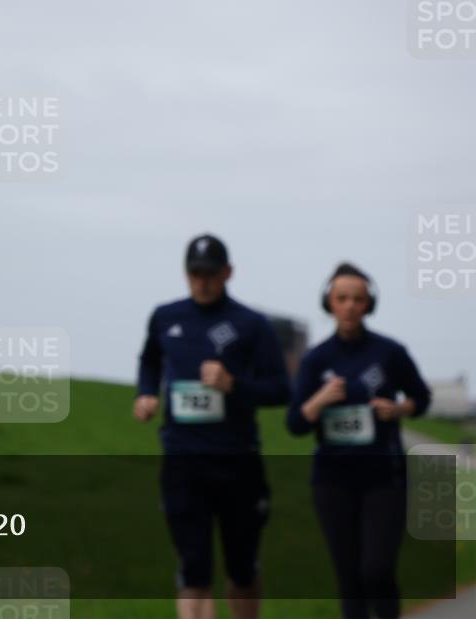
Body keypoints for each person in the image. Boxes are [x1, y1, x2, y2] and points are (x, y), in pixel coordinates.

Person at [134, 234, 290, 619]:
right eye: (194, 272)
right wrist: (146, 393)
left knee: (241, 570)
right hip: (183, 462)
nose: (202, 281)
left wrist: (232, 385)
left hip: (237, 462)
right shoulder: (165, 317)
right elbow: (150, 360)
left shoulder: (251, 325)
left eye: (210, 273)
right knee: (193, 571)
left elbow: (281, 389)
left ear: (228, 273)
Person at [287, 263, 430, 619]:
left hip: (384, 479)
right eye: (342, 298)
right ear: (329, 303)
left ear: (369, 304)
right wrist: (319, 401)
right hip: (333, 481)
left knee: (376, 570)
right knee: (349, 579)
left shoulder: (389, 352)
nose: (350, 306)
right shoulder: (316, 359)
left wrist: (397, 410)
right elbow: (295, 424)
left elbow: (421, 398)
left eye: (358, 299)